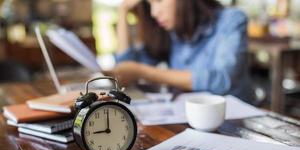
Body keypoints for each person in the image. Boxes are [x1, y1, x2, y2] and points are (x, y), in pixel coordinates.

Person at [103, 0, 255, 103]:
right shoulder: (172, 31)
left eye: (159, 0)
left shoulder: (231, 19)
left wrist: (142, 72)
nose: (154, 13)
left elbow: (222, 80)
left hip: (236, 120)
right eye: (150, 4)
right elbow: (125, 67)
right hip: (190, 117)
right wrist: (122, 11)